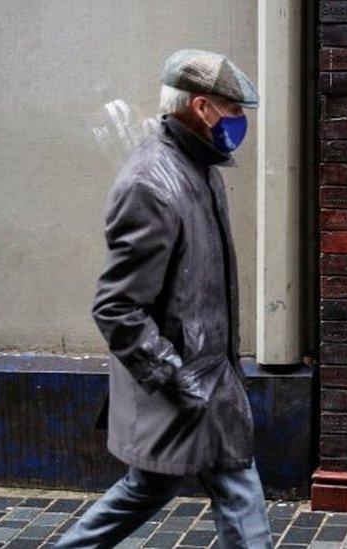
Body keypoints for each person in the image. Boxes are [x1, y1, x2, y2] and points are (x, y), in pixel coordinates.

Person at [55, 49, 272, 549]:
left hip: (208, 380)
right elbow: (116, 307)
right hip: (187, 384)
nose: (241, 122)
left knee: (214, 487)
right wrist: (177, 378)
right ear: (201, 108)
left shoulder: (200, 167)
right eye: (234, 109)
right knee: (157, 487)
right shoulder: (152, 184)